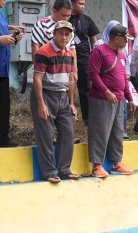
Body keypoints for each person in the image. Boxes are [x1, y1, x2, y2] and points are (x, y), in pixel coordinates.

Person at [31, 21, 79, 183]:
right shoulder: (44, 51)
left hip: (63, 97)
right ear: (54, 34)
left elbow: (71, 79)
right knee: (46, 134)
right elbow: (37, 78)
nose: (64, 37)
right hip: (45, 94)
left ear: (70, 36)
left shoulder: (70, 54)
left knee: (68, 133)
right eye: (61, 33)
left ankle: (64, 170)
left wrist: (72, 103)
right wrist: (41, 103)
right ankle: (50, 172)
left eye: (67, 34)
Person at [87, 24, 135, 178]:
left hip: (119, 100)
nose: (127, 42)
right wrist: (106, 91)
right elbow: (93, 75)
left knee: (117, 132)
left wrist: (130, 98)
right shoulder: (99, 51)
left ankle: (116, 162)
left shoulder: (122, 55)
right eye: (125, 39)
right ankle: (97, 165)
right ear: (117, 38)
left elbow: (124, 79)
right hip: (102, 99)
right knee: (100, 130)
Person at [69, 0, 99, 125]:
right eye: (80, 4)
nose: (83, 6)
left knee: (85, 88)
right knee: (66, 88)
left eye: (84, 4)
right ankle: (67, 118)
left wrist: (94, 55)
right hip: (66, 58)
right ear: (72, 3)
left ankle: (87, 120)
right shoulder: (65, 18)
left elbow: (93, 40)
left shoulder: (87, 20)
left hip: (83, 59)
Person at [0, 0, 25, 147]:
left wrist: (13, 33)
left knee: (4, 105)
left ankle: (3, 139)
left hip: (3, 69)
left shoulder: (2, 15)